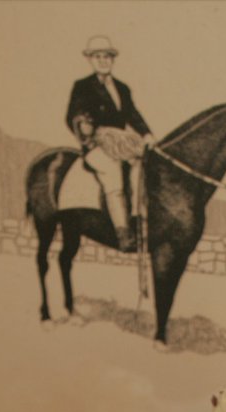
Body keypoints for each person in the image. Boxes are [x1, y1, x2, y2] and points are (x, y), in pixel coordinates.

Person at [66, 35, 153, 251]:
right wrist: (87, 135)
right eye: (98, 56)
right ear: (91, 60)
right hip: (97, 144)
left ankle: (136, 217)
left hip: (121, 143)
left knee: (140, 165)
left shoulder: (122, 88)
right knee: (112, 174)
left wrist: (147, 134)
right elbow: (73, 116)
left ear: (112, 59)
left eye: (107, 56)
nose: (103, 60)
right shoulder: (82, 86)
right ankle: (123, 232)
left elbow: (132, 114)